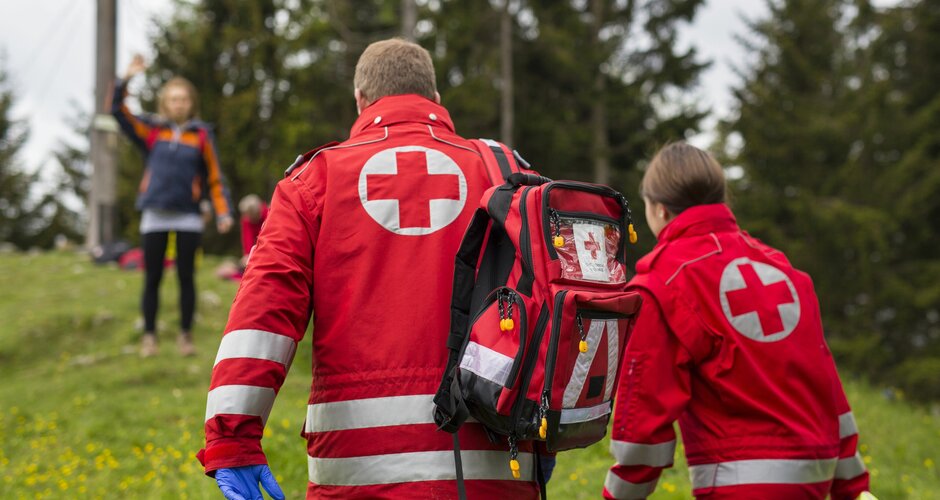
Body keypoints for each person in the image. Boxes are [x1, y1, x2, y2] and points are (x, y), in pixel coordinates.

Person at [199, 39, 541, 499]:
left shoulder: (315, 181)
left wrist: (233, 437)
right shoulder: (506, 174)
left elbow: (264, 309)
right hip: (497, 466)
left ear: (360, 100)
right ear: (436, 101)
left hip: (357, 473)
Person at [603, 142, 873, 499]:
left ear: (659, 210)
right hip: (815, 480)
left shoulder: (664, 281)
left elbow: (644, 417)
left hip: (738, 487)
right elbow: (826, 386)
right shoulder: (785, 273)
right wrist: (853, 488)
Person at [112, 55, 233, 358]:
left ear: (191, 102)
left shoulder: (202, 135)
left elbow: (215, 175)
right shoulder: (151, 131)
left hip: (188, 217)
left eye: (183, 99)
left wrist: (223, 211)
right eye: (173, 99)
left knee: (185, 279)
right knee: (151, 277)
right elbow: (118, 112)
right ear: (165, 102)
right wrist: (125, 80)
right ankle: (149, 336)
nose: (178, 103)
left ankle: (185, 336)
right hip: (155, 213)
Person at [237, 194, 268, 269]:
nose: (247, 218)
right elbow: (247, 238)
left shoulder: (268, 214)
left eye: (249, 215)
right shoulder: (246, 220)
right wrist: (247, 255)